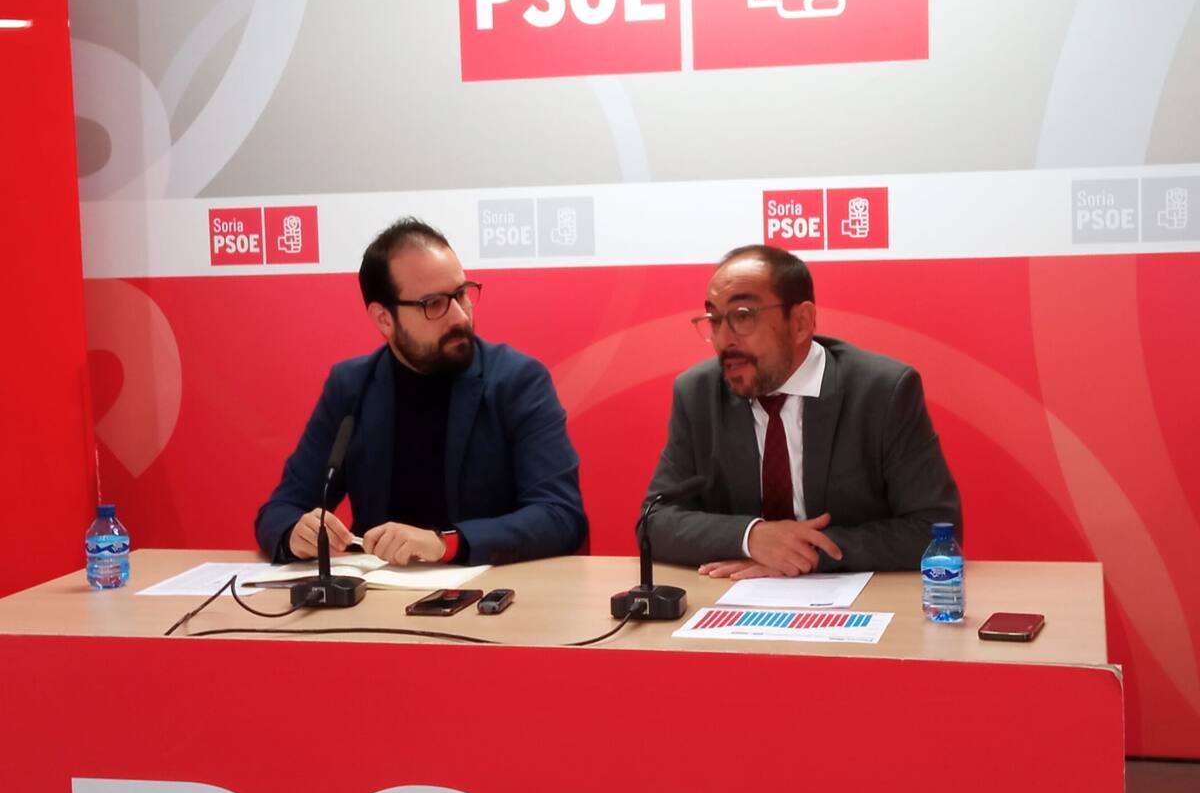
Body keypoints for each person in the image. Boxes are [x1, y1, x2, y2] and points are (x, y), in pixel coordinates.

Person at [255, 217, 587, 567]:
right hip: (378, 589)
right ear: (384, 319)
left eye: (462, 293)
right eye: (434, 304)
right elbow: (281, 509)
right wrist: (295, 532)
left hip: (489, 588)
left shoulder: (518, 381)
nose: (459, 316)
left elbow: (560, 515)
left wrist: (446, 544)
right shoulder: (351, 386)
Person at [642, 245, 961, 578]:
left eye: (742, 316)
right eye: (715, 320)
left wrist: (805, 553)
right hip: (735, 596)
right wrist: (751, 537)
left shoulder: (882, 392)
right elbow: (655, 520)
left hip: (860, 596)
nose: (723, 340)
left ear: (801, 322)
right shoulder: (698, 393)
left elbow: (934, 528)